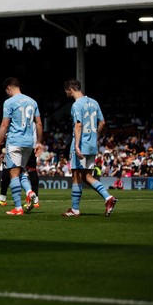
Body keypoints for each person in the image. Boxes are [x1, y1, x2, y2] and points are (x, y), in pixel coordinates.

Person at [62, 79, 117, 217]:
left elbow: (78, 125)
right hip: (92, 144)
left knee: (76, 175)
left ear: (70, 90)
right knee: (86, 176)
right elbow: (103, 122)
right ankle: (108, 198)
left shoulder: (76, 105)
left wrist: (76, 145)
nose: (66, 94)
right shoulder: (94, 102)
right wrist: (95, 136)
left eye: (66, 91)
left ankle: (75, 209)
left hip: (81, 144)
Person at [0, 77, 41, 216]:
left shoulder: (9, 102)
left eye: (6, 91)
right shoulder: (32, 102)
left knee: (13, 174)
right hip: (29, 142)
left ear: (9, 88)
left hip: (15, 141)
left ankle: (18, 208)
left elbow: (4, 125)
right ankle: (30, 192)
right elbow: (39, 123)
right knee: (21, 171)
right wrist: (38, 142)